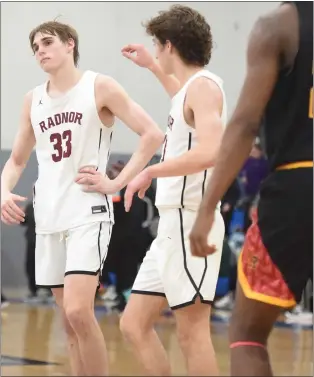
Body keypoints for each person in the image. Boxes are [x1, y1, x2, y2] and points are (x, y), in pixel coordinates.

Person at [0, 21, 164, 376]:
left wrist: (116, 182)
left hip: (88, 211)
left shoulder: (99, 86)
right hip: (48, 214)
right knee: (68, 322)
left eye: (47, 42)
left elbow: (152, 134)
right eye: (35, 47)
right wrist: (2, 190)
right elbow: (16, 160)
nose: (40, 50)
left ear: (69, 44)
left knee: (78, 310)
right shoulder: (33, 99)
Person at [190, 2, 313, 376]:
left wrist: (208, 205)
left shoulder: (279, 25)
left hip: (299, 184)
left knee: (248, 334)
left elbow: (244, 124)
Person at [116, 5, 227, 375]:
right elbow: (181, 103)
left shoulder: (207, 87)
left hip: (191, 222)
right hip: (169, 229)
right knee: (133, 323)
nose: (156, 50)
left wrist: (151, 171)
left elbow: (212, 151)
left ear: (169, 44)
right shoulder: (189, 91)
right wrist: (150, 66)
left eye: (156, 46)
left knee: (192, 333)